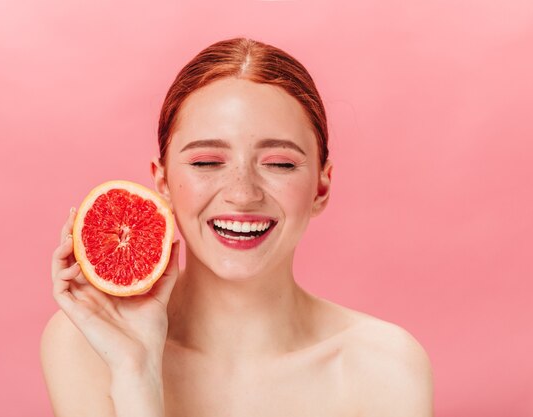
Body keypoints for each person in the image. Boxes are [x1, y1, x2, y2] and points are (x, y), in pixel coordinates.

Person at [41, 37, 434, 417]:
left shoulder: (385, 366)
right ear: (162, 185)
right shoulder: (88, 343)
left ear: (321, 187)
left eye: (279, 163)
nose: (243, 194)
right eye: (206, 163)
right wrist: (135, 375)